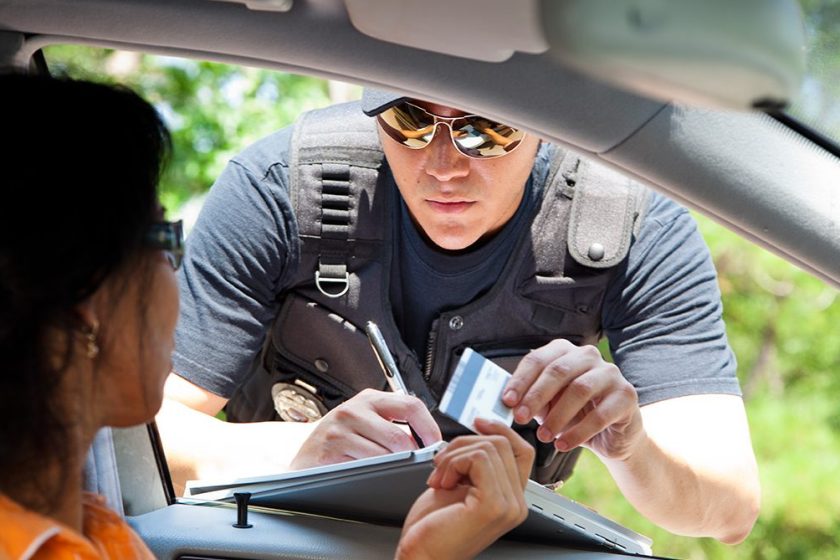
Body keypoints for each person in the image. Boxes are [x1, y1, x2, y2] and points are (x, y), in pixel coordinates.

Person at [158, 91, 761, 543]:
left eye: (488, 129)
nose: (444, 164)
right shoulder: (280, 191)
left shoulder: (634, 226)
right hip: (285, 540)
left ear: (548, 121)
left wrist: (631, 448)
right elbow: (134, 431)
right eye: (410, 121)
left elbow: (728, 508)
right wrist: (296, 454)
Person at [0, 73, 534, 560]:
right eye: (162, 240)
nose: (445, 165)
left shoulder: (92, 529)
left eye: (486, 130)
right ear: (82, 306)